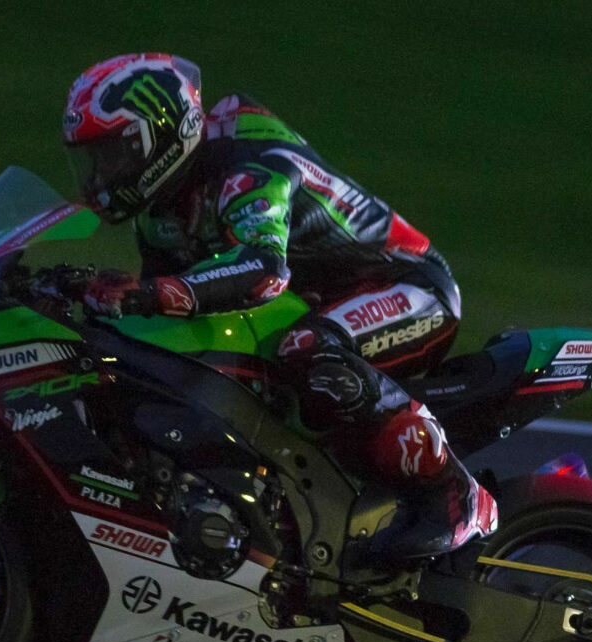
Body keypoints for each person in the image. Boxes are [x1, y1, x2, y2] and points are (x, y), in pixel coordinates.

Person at [62, 52, 497, 558]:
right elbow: (174, 299)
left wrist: (147, 291)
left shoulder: (247, 172)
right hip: (317, 301)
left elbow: (263, 270)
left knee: (306, 350)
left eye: (114, 154)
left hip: (407, 284)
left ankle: (456, 495)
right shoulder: (159, 208)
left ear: (160, 138)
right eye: (93, 158)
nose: (101, 174)